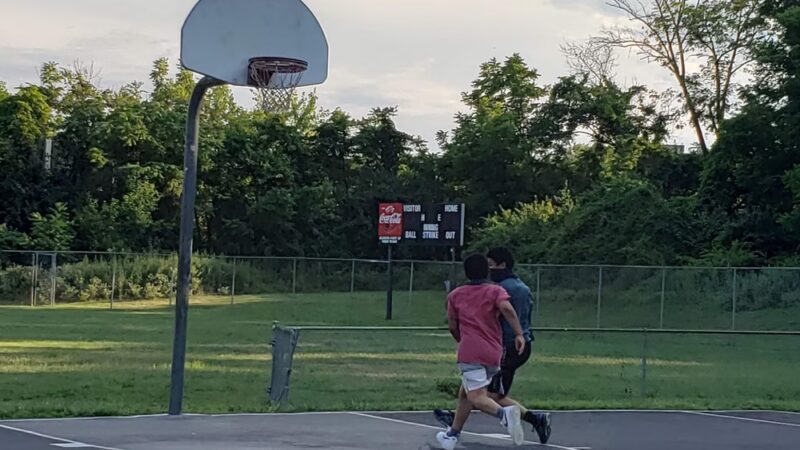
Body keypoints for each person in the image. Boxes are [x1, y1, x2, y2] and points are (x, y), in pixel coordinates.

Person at [435, 247, 552, 444]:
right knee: (469, 392)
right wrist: (519, 334)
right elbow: (507, 309)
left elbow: (453, 325)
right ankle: (452, 433)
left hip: (496, 349)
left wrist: (517, 335)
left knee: (484, 396)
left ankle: (508, 415)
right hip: (495, 350)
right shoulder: (497, 289)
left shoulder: (461, 294)